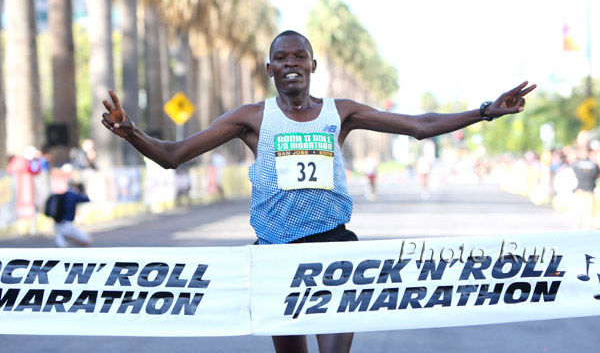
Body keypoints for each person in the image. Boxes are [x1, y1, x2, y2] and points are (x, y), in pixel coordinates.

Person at [102, 30, 535, 353]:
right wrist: (130, 132)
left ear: (312, 66)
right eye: (281, 57)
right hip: (275, 251)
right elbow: (173, 154)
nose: (291, 63)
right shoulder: (252, 118)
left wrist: (485, 112)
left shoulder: (339, 113)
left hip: (334, 249)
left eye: (300, 56)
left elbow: (418, 127)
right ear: (269, 68)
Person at [54, 181, 92, 248]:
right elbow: (87, 199)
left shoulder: (62, 196)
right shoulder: (73, 196)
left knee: (61, 246)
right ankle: (67, 237)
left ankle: (66, 237)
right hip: (67, 224)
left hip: (58, 223)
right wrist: (82, 190)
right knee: (87, 241)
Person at [570, 147, 600, 230]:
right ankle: (587, 227)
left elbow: (573, 174)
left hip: (579, 189)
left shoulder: (576, 164)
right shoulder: (594, 164)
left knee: (579, 209)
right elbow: (598, 175)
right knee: (589, 210)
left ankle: (577, 226)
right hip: (590, 189)